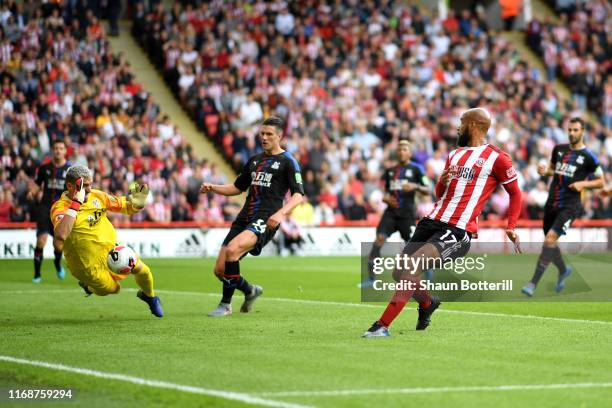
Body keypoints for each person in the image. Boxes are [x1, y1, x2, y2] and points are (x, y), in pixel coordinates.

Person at [363, 108, 522, 337]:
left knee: (411, 266)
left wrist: (512, 226)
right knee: (399, 272)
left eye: (461, 122)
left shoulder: (497, 158)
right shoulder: (454, 155)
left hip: (457, 229)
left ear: (474, 125)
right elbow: (440, 193)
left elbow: (515, 193)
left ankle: (382, 325)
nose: (458, 127)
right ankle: (427, 303)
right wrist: (442, 181)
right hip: (431, 222)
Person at [200, 116, 304, 317]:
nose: (264, 138)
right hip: (244, 218)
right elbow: (237, 188)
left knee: (232, 251)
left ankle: (225, 305)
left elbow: (298, 195)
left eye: (269, 134)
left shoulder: (288, 161)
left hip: (265, 219)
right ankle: (250, 290)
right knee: (220, 270)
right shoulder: (254, 160)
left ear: (279, 136)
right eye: (262, 134)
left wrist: (281, 213)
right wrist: (213, 187)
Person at [51, 165, 163, 317]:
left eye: (91, 184)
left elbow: (125, 206)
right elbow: (60, 235)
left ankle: (149, 297)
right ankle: (88, 286)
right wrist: (76, 204)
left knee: (143, 270)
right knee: (112, 289)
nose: (89, 190)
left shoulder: (96, 196)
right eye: (84, 186)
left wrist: (138, 203)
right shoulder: (60, 207)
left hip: (112, 251)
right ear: (70, 186)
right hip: (87, 266)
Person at [522, 118, 604, 296]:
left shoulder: (589, 157)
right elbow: (554, 170)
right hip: (552, 203)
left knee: (550, 239)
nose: (572, 133)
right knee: (550, 243)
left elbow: (601, 181)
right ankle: (563, 270)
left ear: (583, 131)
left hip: (570, 206)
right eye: (570, 130)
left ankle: (532, 283)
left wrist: (583, 184)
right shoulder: (559, 149)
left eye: (575, 130)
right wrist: (546, 171)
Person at [359, 140, 430, 288]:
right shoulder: (390, 171)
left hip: (407, 215)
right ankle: (371, 279)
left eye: (405, 149)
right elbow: (385, 193)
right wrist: (385, 199)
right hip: (390, 214)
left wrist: (415, 186)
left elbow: (428, 189)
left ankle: (428, 276)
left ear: (409, 153)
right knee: (378, 240)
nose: (401, 152)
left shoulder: (417, 169)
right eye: (399, 149)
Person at [28, 139, 70, 283]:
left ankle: (57, 264)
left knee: (58, 245)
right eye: (56, 148)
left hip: (61, 211)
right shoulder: (44, 168)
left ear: (65, 151)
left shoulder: (70, 171)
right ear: (53, 150)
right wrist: (32, 192)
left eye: (61, 148)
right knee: (41, 241)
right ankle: (37, 275)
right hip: (45, 208)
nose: (58, 150)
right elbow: (38, 184)